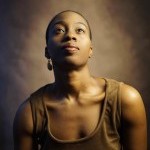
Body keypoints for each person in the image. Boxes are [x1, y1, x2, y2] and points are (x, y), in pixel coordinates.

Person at [13, 10, 147, 150]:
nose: (70, 35)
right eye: (59, 30)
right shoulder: (28, 114)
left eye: (79, 30)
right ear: (47, 52)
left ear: (90, 49)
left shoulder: (126, 100)